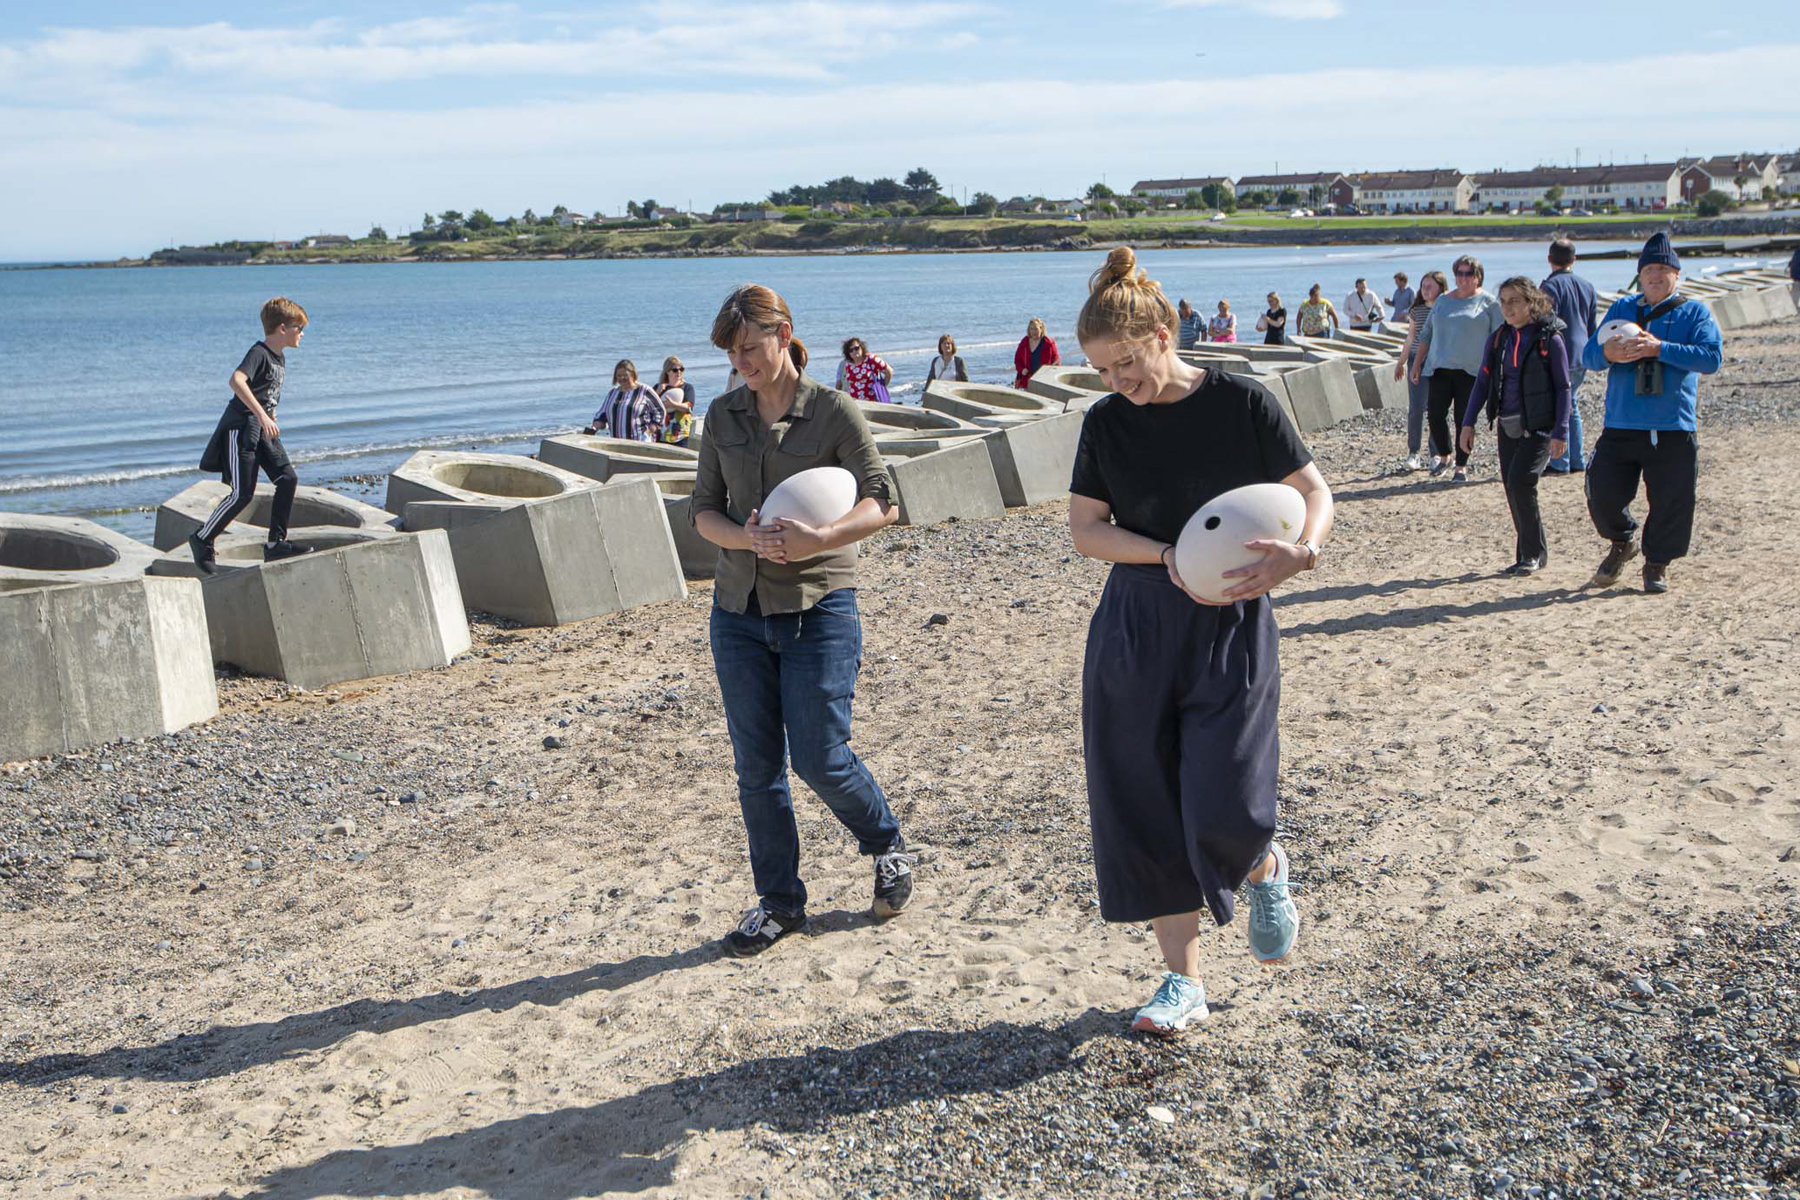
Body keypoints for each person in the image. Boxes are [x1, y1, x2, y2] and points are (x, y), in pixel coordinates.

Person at [1067, 247, 1333, 1036]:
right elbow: (1087, 531)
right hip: (1138, 621)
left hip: (1233, 618)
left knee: (1228, 788)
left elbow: (1313, 494)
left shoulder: (1241, 403)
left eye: (1126, 364)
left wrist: (1303, 550)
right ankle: (1181, 983)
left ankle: (1259, 861)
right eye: (1103, 372)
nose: (1120, 383)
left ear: (1160, 331)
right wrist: (1167, 557)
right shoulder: (1107, 424)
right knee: (1142, 799)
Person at [690, 283, 915, 955]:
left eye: (752, 348)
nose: (743, 364)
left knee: (820, 756)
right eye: (733, 353)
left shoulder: (835, 412)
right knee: (756, 769)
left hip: (819, 607)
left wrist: (821, 538)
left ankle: (886, 844)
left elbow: (883, 502)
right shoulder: (722, 415)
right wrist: (743, 539)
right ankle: (781, 905)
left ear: (783, 335)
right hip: (737, 613)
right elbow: (703, 509)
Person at [1582, 232, 1722, 594]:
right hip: (1621, 422)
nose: (1655, 276)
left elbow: (1711, 359)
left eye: (1663, 269)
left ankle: (1657, 563)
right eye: (1649, 270)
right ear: (1639, 276)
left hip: (1672, 425)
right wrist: (1609, 355)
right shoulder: (1621, 310)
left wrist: (1660, 348)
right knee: (1602, 494)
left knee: (1671, 500)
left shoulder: (1695, 312)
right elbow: (1588, 356)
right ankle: (1622, 541)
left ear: (1676, 274)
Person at [190, 297, 315, 574]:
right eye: (299, 328)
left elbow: (265, 392)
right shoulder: (259, 352)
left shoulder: (279, 357)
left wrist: (270, 414)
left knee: (288, 478)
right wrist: (260, 414)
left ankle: (276, 544)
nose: (302, 333)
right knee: (242, 495)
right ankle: (202, 539)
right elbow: (236, 381)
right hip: (241, 429)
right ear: (282, 329)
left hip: (263, 428)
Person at [1457, 277, 1572, 575]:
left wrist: (1562, 431)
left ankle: (1532, 554)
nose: (1507, 308)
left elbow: (1563, 388)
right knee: (1512, 487)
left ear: (1531, 302)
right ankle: (1529, 553)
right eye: (1503, 301)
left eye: (1514, 301)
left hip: (1540, 426)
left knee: (1522, 483)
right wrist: (1468, 423)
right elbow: (1482, 382)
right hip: (1508, 424)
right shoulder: (1498, 339)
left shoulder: (1550, 339)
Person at [1412, 254, 1503, 483]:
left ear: (1478, 276)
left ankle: (1461, 466)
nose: (1463, 278)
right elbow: (1426, 334)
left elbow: (1500, 339)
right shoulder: (1442, 300)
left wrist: (1498, 370)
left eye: (1468, 274)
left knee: (1465, 420)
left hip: (1472, 371)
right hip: (1439, 368)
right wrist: (1415, 364)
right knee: (1434, 415)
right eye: (1459, 273)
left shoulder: (1489, 303)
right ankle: (1445, 455)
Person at [1541, 237, 1598, 474]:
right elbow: (1592, 323)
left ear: (1549, 259)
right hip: (1582, 351)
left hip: (1561, 351)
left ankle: (1561, 461)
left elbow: (1546, 322)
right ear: (1573, 260)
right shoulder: (1587, 285)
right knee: (1571, 403)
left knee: (1561, 406)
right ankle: (1575, 460)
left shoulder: (1549, 287)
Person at [1392, 270, 1446, 470]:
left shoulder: (1445, 308)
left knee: (1436, 409)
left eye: (1430, 286)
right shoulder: (1416, 310)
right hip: (1416, 360)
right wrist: (1400, 362)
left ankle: (1436, 453)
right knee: (1416, 409)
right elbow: (1410, 337)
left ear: (1440, 288)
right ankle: (1413, 453)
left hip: (1438, 362)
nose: (1425, 290)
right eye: (1423, 286)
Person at [586, 359, 665, 442]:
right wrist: (594, 428)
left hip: (640, 442)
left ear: (633, 374)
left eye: (625, 375)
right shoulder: (613, 393)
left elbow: (660, 412)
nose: (622, 378)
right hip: (616, 443)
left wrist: (649, 431)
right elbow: (602, 416)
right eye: (619, 376)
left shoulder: (644, 391)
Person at [838, 337, 893, 402]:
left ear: (861, 347)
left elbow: (889, 371)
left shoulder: (871, 359)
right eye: (851, 350)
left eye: (856, 348)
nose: (854, 351)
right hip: (855, 401)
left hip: (872, 401)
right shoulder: (848, 364)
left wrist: (883, 386)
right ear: (848, 354)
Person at [657, 356, 696, 447]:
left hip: (680, 434)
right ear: (667, 371)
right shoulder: (659, 387)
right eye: (675, 370)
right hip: (661, 433)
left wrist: (672, 404)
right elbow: (648, 405)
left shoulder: (687, 387)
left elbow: (689, 407)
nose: (678, 372)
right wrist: (657, 392)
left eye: (681, 369)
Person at [1012, 317, 1060, 388]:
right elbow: (1017, 361)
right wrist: (1021, 370)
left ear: (1041, 329)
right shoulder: (1024, 342)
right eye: (1031, 329)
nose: (1033, 332)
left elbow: (1056, 363)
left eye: (1036, 329)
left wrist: (1051, 376)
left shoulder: (1049, 343)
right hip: (1026, 381)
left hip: (1043, 381)